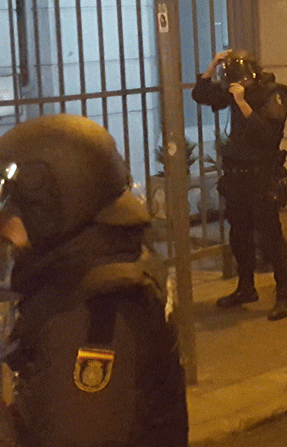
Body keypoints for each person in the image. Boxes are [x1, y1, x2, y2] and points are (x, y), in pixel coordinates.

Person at [0, 114, 188, 446]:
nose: (6, 230)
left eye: (14, 211)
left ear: (54, 207)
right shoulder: (97, 269)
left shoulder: (94, 315)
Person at [192, 49, 287, 321]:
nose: (238, 87)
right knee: (239, 235)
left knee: (271, 236)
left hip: (262, 176)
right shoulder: (234, 91)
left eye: (240, 81)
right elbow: (200, 95)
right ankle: (246, 286)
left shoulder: (275, 93)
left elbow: (266, 133)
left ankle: (284, 293)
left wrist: (242, 103)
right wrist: (213, 65)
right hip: (237, 177)